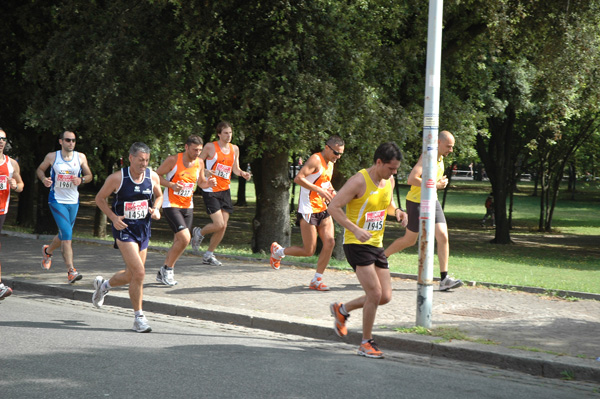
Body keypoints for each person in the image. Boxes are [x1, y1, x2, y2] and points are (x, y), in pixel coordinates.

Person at [328, 142, 408, 359]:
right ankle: (365, 342)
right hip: (356, 243)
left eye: (396, 169)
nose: (394, 172)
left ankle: (342, 310)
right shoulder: (358, 181)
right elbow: (333, 207)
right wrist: (355, 228)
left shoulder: (388, 180)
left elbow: (387, 204)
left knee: (385, 296)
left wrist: (398, 212)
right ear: (379, 162)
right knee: (374, 293)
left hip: (376, 243)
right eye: (391, 168)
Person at [92, 142, 163, 333]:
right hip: (124, 229)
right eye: (140, 160)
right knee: (139, 273)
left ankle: (104, 286)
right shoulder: (117, 178)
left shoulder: (152, 176)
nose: (144, 164)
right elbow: (99, 198)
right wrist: (113, 217)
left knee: (131, 274)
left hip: (143, 229)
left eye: (147, 160)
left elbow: (159, 195)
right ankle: (139, 318)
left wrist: (156, 210)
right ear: (131, 158)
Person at [384, 130, 463, 291]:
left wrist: (439, 183)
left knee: (443, 236)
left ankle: (444, 279)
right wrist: (436, 184)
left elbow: (430, 180)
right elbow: (412, 178)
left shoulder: (440, 158)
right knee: (409, 240)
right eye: (449, 146)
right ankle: (381, 258)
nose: (451, 150)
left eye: (452, 147)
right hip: (417, 202)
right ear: (438, 143)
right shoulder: (428, 156)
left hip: (432, 201)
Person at [270, 135, 345, 291]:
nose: (338, 157)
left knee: (330, 242)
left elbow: (323, 181)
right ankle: (278, 252)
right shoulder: (315, 160)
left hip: (322, 209)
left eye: (340, 154)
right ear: (327, 148)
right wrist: (319, 190)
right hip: (308, 209)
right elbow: (298, 178)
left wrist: (331, 191)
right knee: (308, 250)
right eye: (336, 153)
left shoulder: (330, 163)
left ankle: (317, 280)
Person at [154, 135, 216, 286]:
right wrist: (171, 185)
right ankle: (167, 269)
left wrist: (209, 183)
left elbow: (200, 182)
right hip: (171, 204)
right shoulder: (173, 160)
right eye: (194, 150)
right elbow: (155, 176)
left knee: (180, 241)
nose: (197, 153)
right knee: (184, 238)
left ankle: (165, 271)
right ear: (186, 147)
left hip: (188, 206)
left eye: (200, 150)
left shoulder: (200, 162)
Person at [191, 122, 252, 266]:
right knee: (218, 223)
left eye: (230, 132)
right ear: (219, 134)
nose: (229, 135)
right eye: (225, 133)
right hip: (211, 189)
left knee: (223, 226)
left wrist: (242, 173)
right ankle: (199, 233)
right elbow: (199, 161)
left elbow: (235, 168)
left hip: (225, 190)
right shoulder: (210, 147)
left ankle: (209, 255)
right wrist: (204, 171)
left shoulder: (234, 148)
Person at [36, 130, 93, 284]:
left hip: (73, 201)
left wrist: (81, 180)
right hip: (57, 200)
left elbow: (89, 175)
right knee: (67, 235)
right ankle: (71, 271)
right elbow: (40, 170)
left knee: (63, 235)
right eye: (68, 140)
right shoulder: (52, 157)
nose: (71, 143)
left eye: (73, 140)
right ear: (61, 141)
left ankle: (47, 251)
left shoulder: (80, 157)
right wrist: (44, 180)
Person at [0, 128, 24, 300]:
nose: (1, 141)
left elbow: (21, 185)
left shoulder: (11, 164)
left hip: (2, 210)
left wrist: (15, 185)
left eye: (3, 139)